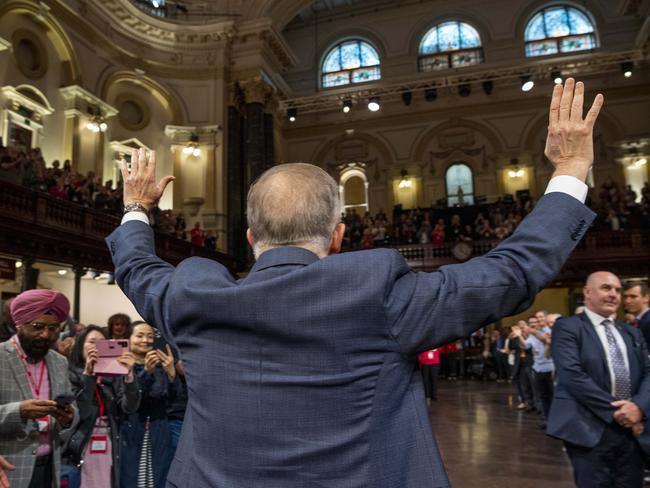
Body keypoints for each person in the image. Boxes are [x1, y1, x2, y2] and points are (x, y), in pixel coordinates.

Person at [107, 79, 601, 487]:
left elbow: (136, 268)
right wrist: (573, 169)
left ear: (251, 235)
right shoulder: (380, 295)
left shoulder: (193, 295)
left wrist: (136, 207)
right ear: (338, 235)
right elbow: (512, 271)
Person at [546, 271, 650, 487]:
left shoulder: (631, 332)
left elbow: (648, 372)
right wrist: (619, 411)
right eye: (606, 288)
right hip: (589, 427)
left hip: (632, 430)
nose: (614, 294)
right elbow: (572, 375)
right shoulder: (568, 327)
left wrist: (638, 407)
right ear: (587, 292)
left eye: (618, 290)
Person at [0, 289, 78, 488]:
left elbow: (73, 408)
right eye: (38, 326)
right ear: (19, 324)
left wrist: (68, 417)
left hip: (49, 467)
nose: (46, 335)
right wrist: (19, 411)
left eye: (53, 328)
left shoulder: (59, 361)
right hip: (8, 467)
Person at [62, 325, 140, 488]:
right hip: (81, 444)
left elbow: (129, 407)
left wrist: (130, 376)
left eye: (101, 343)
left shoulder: (112, 376)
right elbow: (80, 413)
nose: (96, 347)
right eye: (92, 342)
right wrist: (88, 375)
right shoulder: (69, 374)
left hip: (109, 442)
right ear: (80, 344)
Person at [119, 322, 177, 488]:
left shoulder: (161, 365)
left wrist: (172, 374)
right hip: (131, 429)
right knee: (131, 478)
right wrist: (145, 373)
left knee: (158, 477)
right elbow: (130, 402)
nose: (145, 340)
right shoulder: (121, 365)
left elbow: (171, 401)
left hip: (159, 429)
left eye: (150, 336)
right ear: (128, 339)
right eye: (139, 335)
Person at [623, 281, 650, 347]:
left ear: (646, 298)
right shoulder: (630, 321)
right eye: (625, 297)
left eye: (633, 296)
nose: (627, 301)